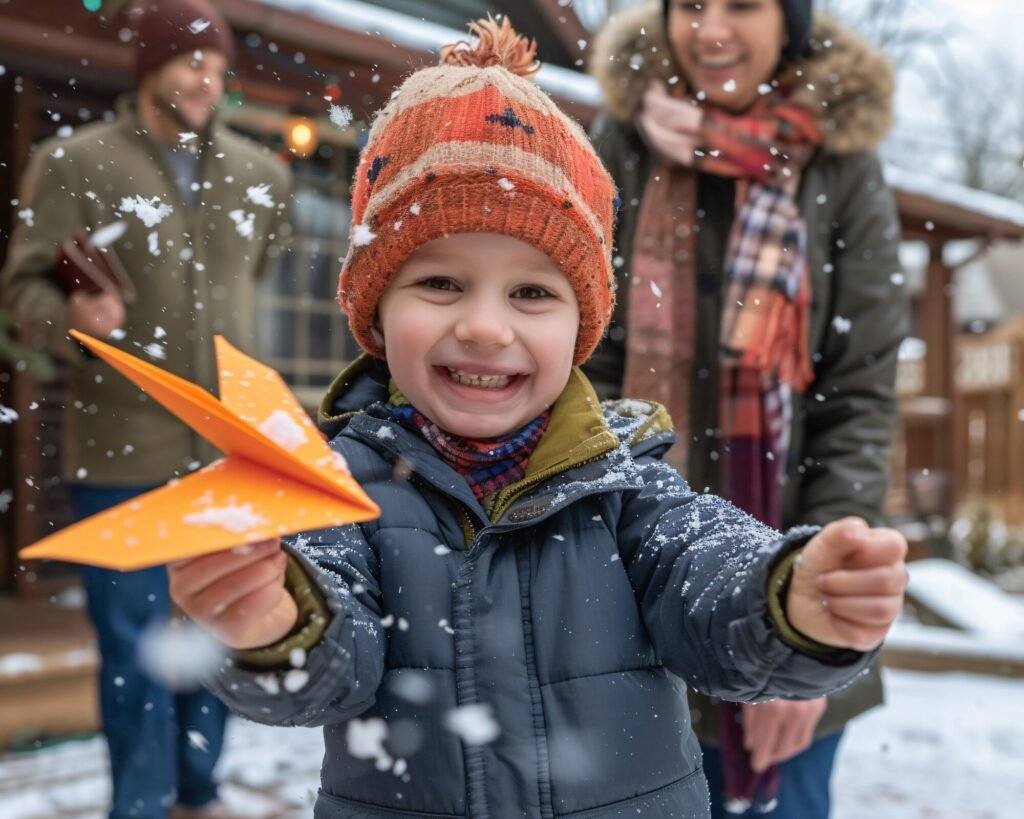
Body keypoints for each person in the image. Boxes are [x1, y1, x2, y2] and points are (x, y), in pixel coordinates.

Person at [164, 17, 908, 819]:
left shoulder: (629, 485)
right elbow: (329, 666)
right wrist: (272, 619)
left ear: (582, 332)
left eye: (532, 292)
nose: (486, 326)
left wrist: (791, 601)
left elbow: (711, 582)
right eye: (441, 283)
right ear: (374, 311)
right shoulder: (339, 489)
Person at [585, 1, 909, 816]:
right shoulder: (621, 146)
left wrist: (805, 634)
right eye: (689, 5)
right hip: (635, 591)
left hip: (797, 561)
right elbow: (586, 372)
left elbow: (856, 396)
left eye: (741, 5)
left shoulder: (841, 164)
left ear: (791, 21)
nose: (710, 30)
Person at [1, 1, 290, 817]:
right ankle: (141, 802)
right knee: (132, 648)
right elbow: (25, 286)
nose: (208, 79)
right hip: (121, 448)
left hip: (227, 447)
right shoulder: (74, 163)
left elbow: (254, 278)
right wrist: (70, 318)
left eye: (218, 66)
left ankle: (197, 790)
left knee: (222, 630)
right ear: (149, 67)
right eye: (191, 61)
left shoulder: (260, 178)